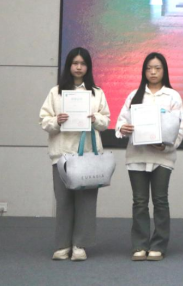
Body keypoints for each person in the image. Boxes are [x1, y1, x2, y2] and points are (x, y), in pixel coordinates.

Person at [39, 47, 111, 261]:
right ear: (68, 65)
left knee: (86, 202)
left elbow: (106, 121)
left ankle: (80, 245)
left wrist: (95, 119)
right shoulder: (56, 92)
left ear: (88, 67)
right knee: (63, 201)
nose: (79, 67)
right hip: (61, 154)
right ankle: (62, 245)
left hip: (87, 154)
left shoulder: (97, 92)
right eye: (75, 63)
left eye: (83, 63)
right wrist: (56, 120)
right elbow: (44, 120)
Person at [116, 52, 183, 261]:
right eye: (148, 68)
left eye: (157, 68)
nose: (153, 72)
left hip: (162, 157)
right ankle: (139, 245)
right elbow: (120, 124)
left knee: (160, 200)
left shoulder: (172, 96)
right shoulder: (134, 95)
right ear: (143, 71)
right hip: (136, 157)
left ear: (164, 71)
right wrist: (123, 129)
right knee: (139, 202)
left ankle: (158, 245)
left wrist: (166, 146)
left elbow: (180, 128)